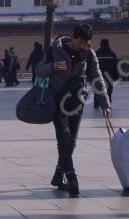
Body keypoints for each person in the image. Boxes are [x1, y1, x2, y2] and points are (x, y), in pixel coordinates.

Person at [37, 24, 111, 197]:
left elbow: (97, 78)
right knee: (63, 139)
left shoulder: (89, 54)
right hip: (56, 102)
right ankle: (71, 177)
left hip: (77, 103)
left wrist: (105, 104)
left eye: (85, 43)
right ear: (72, 37)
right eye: (79, 42)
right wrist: (53, 67)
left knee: (72, 141)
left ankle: (58, 175)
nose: (82, 46)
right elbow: (39, 70)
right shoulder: (55, 50)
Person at [94, 38, 118, 108]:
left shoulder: (96, 53)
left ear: (100, 45)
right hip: (109, 76)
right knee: (109, 90)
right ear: (108, 44)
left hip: (98, 75)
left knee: (97, 89)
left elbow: (92, 65)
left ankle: (96, 104)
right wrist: (116, 76)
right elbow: (115, 66)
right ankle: (108, 103)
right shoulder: (112, 54)